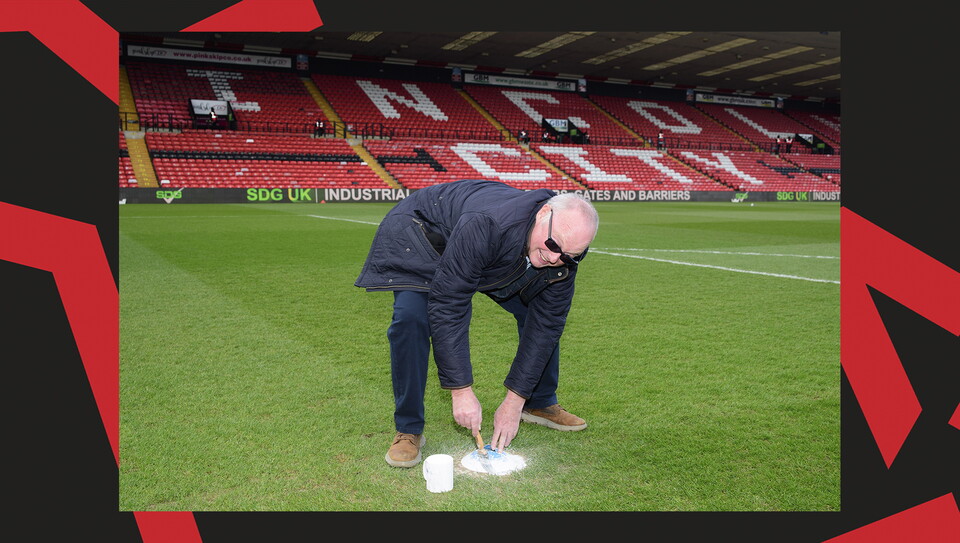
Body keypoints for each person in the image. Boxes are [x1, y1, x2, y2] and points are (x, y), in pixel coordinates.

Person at [355, 179, 600, 468]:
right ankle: (408, 428)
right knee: (411, 319)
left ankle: (538, 401)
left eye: (570, 256)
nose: (554, 258)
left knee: (537, 314)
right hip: (424, 233)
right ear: (543, 214)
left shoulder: (561, 256)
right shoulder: (488, 224)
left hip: (489, 253)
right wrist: (461, 391)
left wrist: (515, 400)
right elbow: (450, 304)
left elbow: (547, 325)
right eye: (552, 245)